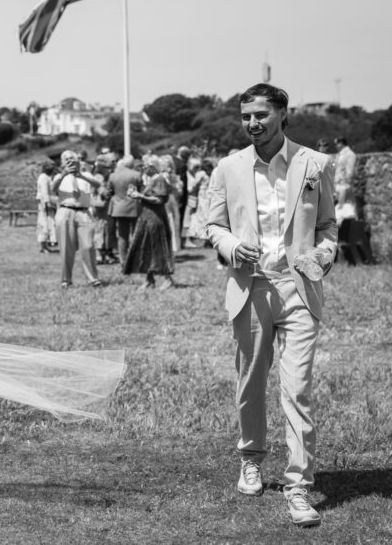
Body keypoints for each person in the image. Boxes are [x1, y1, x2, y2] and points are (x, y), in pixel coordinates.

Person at [205, 83, 337, 527]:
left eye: (261, 115)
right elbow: (212, 224)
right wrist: (229, 245)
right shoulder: (228, 167)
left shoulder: (314, 164)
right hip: (251, 287)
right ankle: (252, 458)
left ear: (283, 114)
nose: (252, 124)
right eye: (245, 116)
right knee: (251, 382)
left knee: (296, 388)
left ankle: (298, 484)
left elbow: (328, 227)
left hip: (298, 289)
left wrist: (323, 255)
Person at [51, 150, 103, 288]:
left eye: (73, 159)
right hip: (65, 211)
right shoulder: (59, 176)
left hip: (84, 212)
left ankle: (93, 278)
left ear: (78, 161)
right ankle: (66, 279)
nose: (70, 162)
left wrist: (81, 176)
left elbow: (97, 185)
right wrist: (64, 174)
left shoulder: (86, 174)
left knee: (88, 246)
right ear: (62, 162)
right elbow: (52, 188)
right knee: (66, 247)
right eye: (67, 160)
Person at [122, 155, 175, 289]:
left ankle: (167, 279)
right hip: (146, 217)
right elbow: (148, 197)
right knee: (146, 248)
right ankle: (149, 279)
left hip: (156, 217)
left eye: (146, 165)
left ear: (153, 166)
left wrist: (141, 196)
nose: (144, 168)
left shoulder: (160, 179)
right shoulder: (151, 180)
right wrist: (135, 195)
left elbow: (159, 200)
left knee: (158, 248)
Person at [106, 155, 143, 264]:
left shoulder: (113, 175)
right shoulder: (136, 175)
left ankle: (123, 260)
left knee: (122, 236)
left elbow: (109, 191)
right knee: (135, 234)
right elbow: (141, 191)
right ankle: (136, 258)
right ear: (132, 164)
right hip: (133, 207)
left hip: (119, 208)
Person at [90, 153, 118, 264]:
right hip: (101, 205)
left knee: (104, 230)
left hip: (102, 204)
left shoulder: (98, 173)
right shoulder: (100, 175)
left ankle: (104, 253)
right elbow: (99, 189)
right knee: (100, 230)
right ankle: (99, 255)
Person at [182, 158, 210, 248]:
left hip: (202, 195)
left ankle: (203, 237)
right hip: (204, 195)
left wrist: (190, 189)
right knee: (203, 216)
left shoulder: (200, 173)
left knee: (202, 216)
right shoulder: (204, 173)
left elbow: (194, 185)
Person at [159, 154, 183, 252]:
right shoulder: (159, 176)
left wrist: (171, 183)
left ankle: (173, 245)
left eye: (166, 165)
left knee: (172, 222)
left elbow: (180, 191)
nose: (164, 167)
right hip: (163, 201)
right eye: (162, 164)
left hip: (171, 200)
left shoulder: (174, 177)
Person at [35, 161, 59, 253]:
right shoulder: (44, 178)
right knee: (44, 223)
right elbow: (45, 192)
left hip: (45, 201)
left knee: (48, 223)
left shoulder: (46, 177)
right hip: (44, 202)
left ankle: (45, 245)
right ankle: (43, 245)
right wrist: (47, 202)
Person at [334, 136, 357, 205]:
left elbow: (350, 171)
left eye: (336, 143)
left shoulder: (350, 154)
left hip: (344, 185)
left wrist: (345, 182)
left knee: (344, 209)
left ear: (341, 143)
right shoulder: (339, 154)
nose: (335, 146)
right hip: (337, 185)